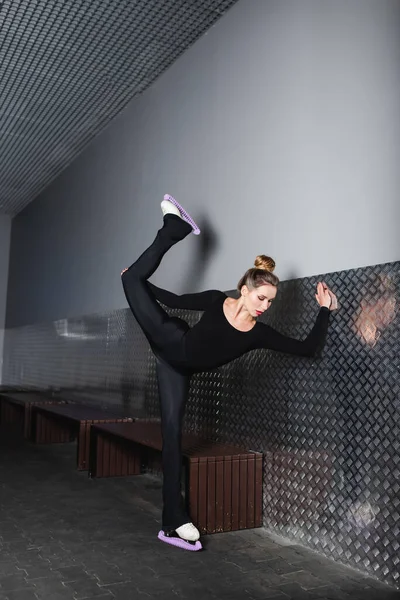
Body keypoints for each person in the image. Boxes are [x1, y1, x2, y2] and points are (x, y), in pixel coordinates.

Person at [121, 194, 338, 551]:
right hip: (170, 338)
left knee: (171, 437)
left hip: (174, 367)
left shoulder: (257, 334)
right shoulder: (213, 300)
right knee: (131, 282)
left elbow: (306, 348)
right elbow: (173, 301)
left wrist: (325, 310)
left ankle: (172, 521)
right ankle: (174, 229)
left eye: (270, 301)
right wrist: (138, 282)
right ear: (244, 290)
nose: (265, 307)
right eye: (261, 298)